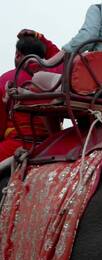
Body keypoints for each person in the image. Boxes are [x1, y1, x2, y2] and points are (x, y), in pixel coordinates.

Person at [0, 31, 62, 162]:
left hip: (17, 144)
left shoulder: (6, 78)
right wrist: (40, 38)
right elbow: (59, 56)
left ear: (18, 54)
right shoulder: (55, 72)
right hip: (54, 143)